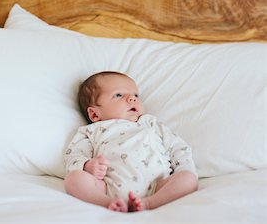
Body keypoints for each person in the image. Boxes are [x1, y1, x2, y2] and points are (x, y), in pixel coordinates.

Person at [64, 71, 198, 213]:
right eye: (118, 95)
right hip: (106, 187)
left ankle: (149, 203)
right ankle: (108, 203)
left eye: (135, 95)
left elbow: (178, 147)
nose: (132, 99)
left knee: (188, 178)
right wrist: (87, 165)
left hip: (158, 186)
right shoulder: (91, 131)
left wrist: (183, 168)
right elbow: (73, 157)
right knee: (74, 179)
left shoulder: (150, 123)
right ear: (94, 114)